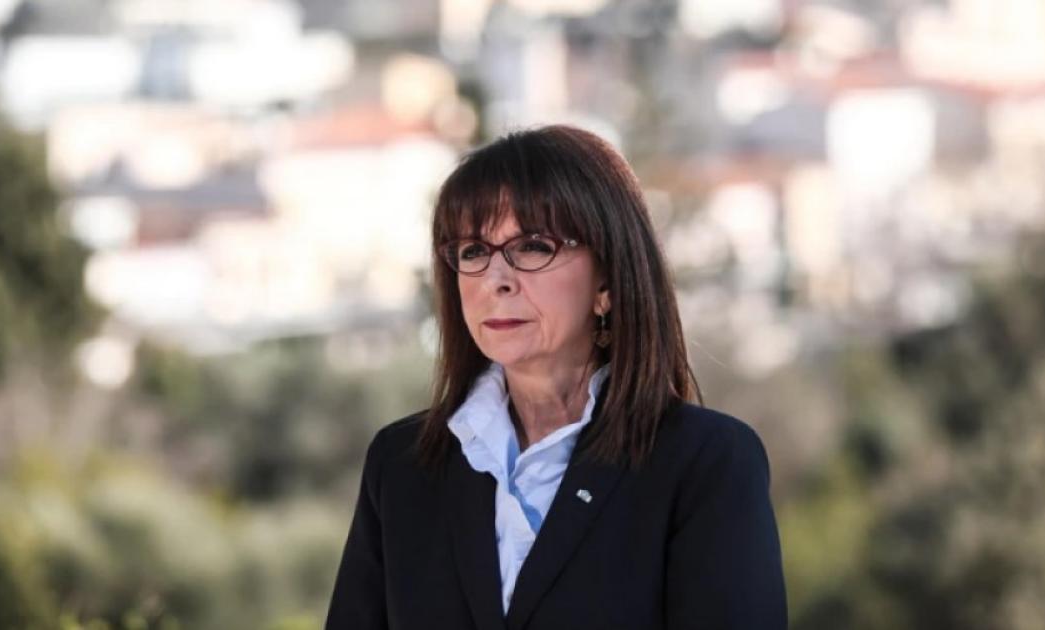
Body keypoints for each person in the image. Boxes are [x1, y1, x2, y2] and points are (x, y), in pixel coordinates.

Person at [325, 125, 787, 630]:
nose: (496, 281)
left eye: (532, 246)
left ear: (607, 281)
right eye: (473, 251)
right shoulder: (401, 466)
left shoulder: (707, 463)